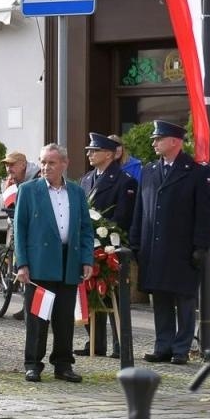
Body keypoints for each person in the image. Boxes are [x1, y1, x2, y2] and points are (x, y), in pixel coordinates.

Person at [132, 119, 210, 365]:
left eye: (159, 138)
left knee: (184, 299)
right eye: (154, 139)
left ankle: (181, 348)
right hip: (154, 247)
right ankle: (163, 346)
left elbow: (205, 213)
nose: (154, 143)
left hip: (182, 248)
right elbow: (140, 209)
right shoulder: (149, 171)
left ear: (175, 141)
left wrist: (200, 246)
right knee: (161, 298)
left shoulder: (196, 172)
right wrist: (136, 241)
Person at [13, 143, 94, 384]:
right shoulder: (28, 190)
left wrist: (87, 259)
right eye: (43, 162)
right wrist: (22, 264)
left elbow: (85, 228)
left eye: (51, 162)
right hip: (39, 263)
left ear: (64, 164)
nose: (46, 167)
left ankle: (63, 363)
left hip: (69, 261)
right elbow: (20, 229)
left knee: (64, 317)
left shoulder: (77, 192)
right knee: (38, 317)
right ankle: (32, 364)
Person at [80, 132, 139, 357]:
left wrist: (108, 236)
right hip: (89, 244)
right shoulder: (86, 179)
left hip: (111, 245)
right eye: (89, 151)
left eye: (94, 151)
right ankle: (95, 341)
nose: (90, 154)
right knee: (91, 292)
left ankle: (120, 343)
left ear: (108, 154)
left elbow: (124, 216)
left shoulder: (125, 181)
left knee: (114, 295)